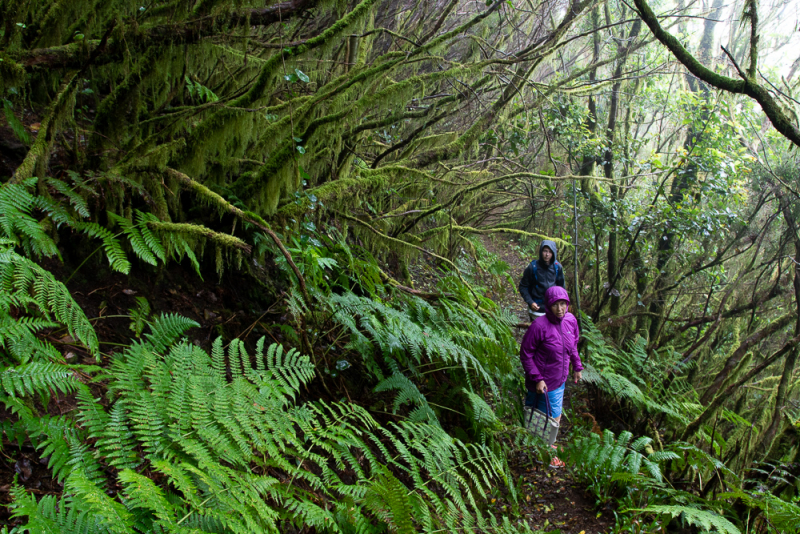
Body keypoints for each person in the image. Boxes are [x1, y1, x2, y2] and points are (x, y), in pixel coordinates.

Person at [519, 285, 583, 467]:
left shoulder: (571, 320)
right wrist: (537, 378)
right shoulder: (539, 326)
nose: (560, 309)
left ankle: (543, 448)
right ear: (548, 305)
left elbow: (573, 345)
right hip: (540, 381)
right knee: (539, 415)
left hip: (558, 380)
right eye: (556, 305)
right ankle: (545, 453)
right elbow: (526, 353)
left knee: (551, 417)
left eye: (563, 304)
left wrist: (577, 366)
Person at [518, 240, 565, 319]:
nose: (547, 254)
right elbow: (523, 286)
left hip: (553, 310)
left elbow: (562, 289)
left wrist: (562, 307)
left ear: (553, 253)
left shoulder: (557, 267)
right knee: (537, 331)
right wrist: (530, 302)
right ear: (541, 251)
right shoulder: (532, 267)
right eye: (545, 251)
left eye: (550, 252)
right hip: (536, 311)